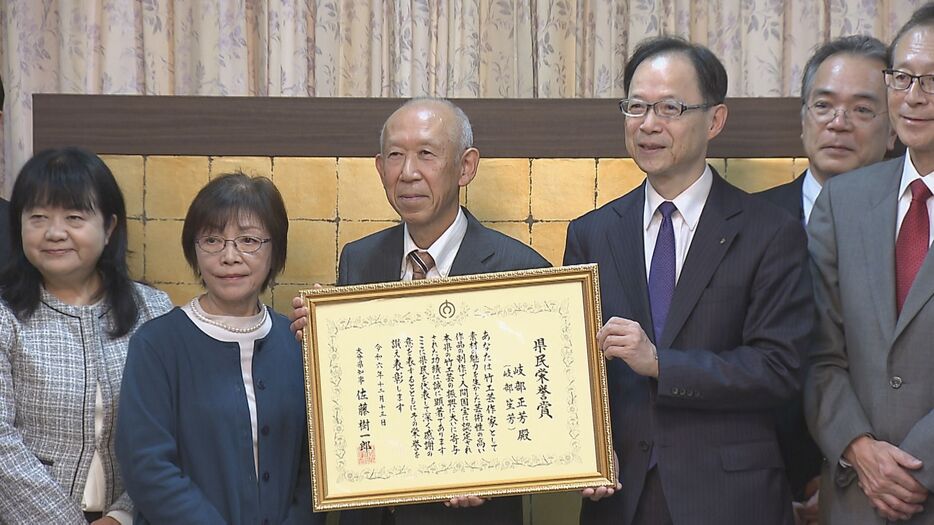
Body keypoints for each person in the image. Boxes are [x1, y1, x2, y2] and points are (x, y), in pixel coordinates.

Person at [567, 37, 813, 525]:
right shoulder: (592, 232)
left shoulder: (769, 231)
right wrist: (585, 453)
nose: (649, 124)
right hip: (620, 495)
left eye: (670, 108)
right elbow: (576, 370)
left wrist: (661, 364)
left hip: (729, 496)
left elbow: (779, 368)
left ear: (715, 120)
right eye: (636, 106)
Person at [292, 97, 549, 525]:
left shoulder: (518, 270)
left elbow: (536, 410)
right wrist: (320, 339)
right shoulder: (358, 261)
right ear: (379, 168)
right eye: (395, 155)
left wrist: (495, 475)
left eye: (426, 154)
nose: (407, 172)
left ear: (466, 167)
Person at [116, 173, 323, 524]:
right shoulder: (157, 344)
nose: (230, 256)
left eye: (249, 240)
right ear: (193, 250)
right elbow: (146, 464)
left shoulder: (297, 343)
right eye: (212, 240)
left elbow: (314, 464)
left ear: (275, 250)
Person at [758, 34, 896, 524]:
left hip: (887, 486)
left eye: (862, 109)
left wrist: (850, 478)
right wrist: (792, 484)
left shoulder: (918, 226)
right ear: (802, 120)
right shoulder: (746, 225)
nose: (839, 123)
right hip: (765, 489)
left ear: (896, 125)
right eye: (824, 105)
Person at [805, 4, 934, 523]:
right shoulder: (843, 201)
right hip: (855, 493)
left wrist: (910, 470)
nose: (914, 96)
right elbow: (817, 351)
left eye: (933, 80)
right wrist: (857, 447)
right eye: (902, 77)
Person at [0, 147, 172, 524]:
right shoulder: (4, 316)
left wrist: (122, 515)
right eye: (38, 217)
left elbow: (172, 430)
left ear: (109, 227)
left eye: (74, 217)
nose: (55, 232)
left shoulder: (154, 311)